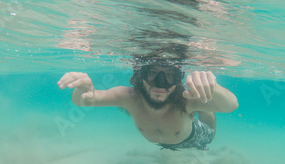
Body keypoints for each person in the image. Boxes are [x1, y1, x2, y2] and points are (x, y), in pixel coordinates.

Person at [57, 59, 238, 151]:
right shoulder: (128, 97)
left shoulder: (186, 98)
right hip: (165, 138)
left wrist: (214, 89)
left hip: (193, 139)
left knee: (208, 123)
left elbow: (231, 106)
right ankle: (204, 103)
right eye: (152, 73)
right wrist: (82, 91)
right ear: (140, 75)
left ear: (178, 79)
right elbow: (86, 100)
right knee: (131, 106)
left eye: (170, 76)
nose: (160, 84)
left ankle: (205, 106)